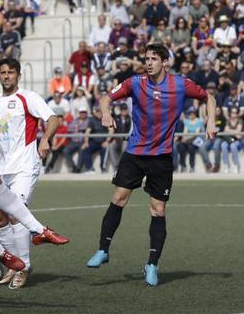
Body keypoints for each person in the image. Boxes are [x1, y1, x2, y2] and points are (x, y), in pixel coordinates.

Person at [86, 44, 216, 286]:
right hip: (135, 153)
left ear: (165, 62)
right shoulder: (135, 82)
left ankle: (152, 265)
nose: (149, 63)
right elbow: (106, 98)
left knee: (157, 210)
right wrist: (106, 113)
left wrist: (210, 122)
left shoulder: (180, 84)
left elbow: (209, 98)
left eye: (154, 59)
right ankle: (103, 250)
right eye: (146, 58)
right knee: (119, 198)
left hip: (161, 157)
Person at [0, 57, 63, 289]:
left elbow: (53, 119)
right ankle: (13, 263)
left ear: (18, 75)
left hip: (26, 165)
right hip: (3, 167)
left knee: (16, 213)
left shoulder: (28, 97)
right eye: (3, 73)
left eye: (11, 72)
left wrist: (45, 139)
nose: (6, 76)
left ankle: (24, 267)